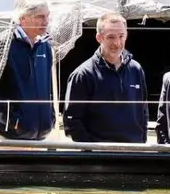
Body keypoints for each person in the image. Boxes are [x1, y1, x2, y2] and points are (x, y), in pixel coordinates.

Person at [63, 13, 148, 143]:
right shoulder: (83, 74)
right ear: (99, 38)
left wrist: (142, 143)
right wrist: (93, 149)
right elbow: (72, 120)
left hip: (134, 151)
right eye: (111, 37)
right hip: (100, 153)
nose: (117, 43)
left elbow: (143, 111)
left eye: (121, 36)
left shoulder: (136, 69)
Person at [0, 0, 56, 141]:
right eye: (40, 17)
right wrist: (13, 122)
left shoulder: (45, 46)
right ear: (23, 18)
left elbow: (46, 88)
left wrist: (50, 117)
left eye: (47, 16)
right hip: (9, 136)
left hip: (40, 135)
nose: (46, 21)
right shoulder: (2, 44)